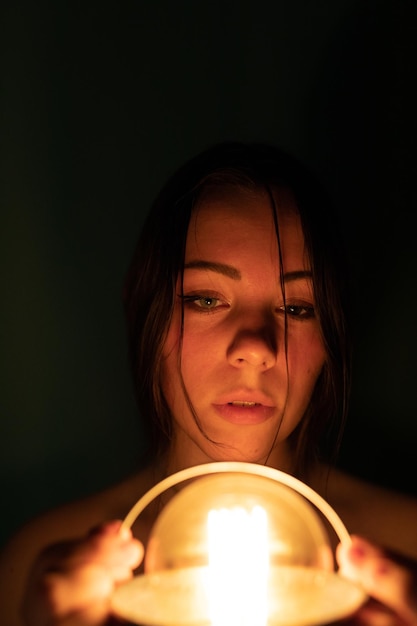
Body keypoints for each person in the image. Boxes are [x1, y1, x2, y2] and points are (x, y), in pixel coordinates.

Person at [1, 141, 417, 626]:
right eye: (205, 300)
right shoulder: (40, 569)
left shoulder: (405, 547)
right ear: (147, 317)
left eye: (298, 308)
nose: (256, 346)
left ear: (330, 341)